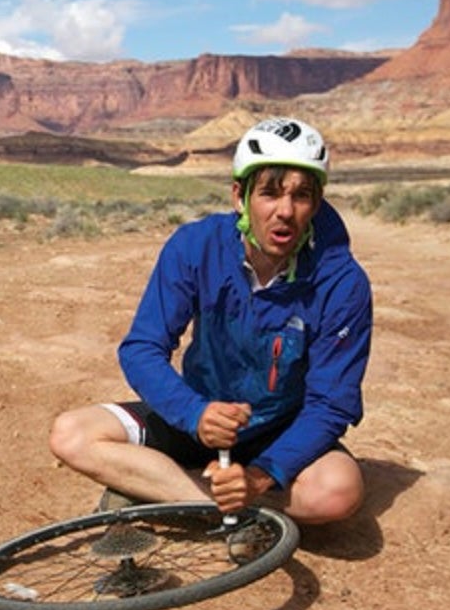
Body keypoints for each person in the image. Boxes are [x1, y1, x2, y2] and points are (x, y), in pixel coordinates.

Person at [49, 116, 372, 525]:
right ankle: (216, 505)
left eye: (302, 196)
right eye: (270, 193)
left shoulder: (343, 282)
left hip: (280, 432)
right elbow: (142, 348)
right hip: (195, 420)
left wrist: (260, 475)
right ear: (240, 196)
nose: (286, 211)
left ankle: (163, 490)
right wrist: (194, 413)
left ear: (317, 203)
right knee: (72, 433)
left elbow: (331, 403)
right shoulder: (195, 247)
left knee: (338, 492)